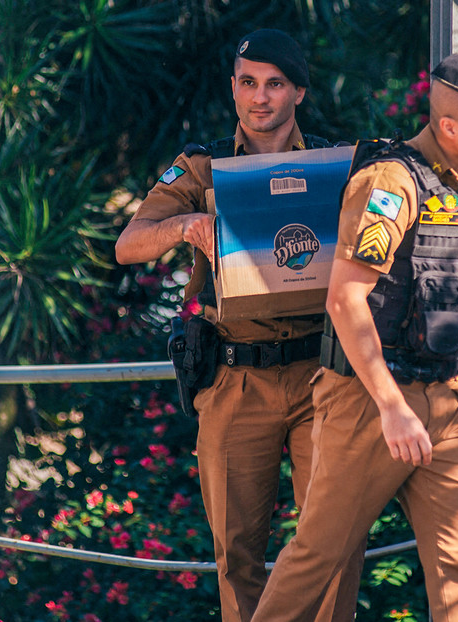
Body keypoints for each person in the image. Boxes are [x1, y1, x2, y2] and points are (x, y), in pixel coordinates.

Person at [249, 53, 458, 622]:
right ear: (449, 127)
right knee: (320, 558)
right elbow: (345, 299)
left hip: (454, 399)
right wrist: (392, 408)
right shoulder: (389, 183)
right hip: (371, 402)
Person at [114, 28, 363, 622]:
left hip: (319, 376)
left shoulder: (334, 165)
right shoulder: (203, 167)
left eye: (275, 84)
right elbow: (128, 245)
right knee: (237, 555)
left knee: (335, 543)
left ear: (298, 92)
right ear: (233, 88)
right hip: (234, 379)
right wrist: (185, 226)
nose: (260, 98)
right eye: (248, 83)